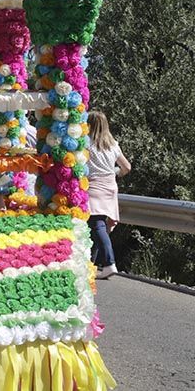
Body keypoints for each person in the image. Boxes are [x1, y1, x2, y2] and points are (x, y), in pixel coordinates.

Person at [86, 110, 132, 279]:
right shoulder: (113, 145)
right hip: (110, 186)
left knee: (96, 225)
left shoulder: (87, 144)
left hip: (94, 186)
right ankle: (91, 263)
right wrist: (114, 172)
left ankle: (109, 263)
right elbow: (126, 167)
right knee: (100, 226)